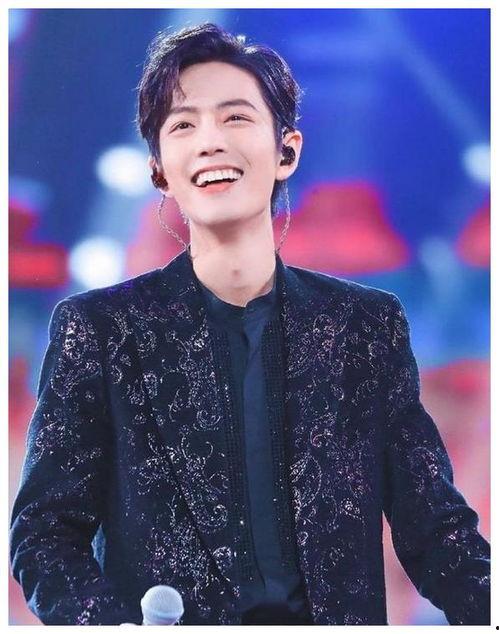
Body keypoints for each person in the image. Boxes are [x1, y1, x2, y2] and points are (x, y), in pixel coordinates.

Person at [9, 22, 490, 626]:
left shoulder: (364, 327)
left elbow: (437, 532)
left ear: (287, 151)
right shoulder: (101, 330)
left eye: (235, 118)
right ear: (159, 170)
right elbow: (45, 534)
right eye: (184, 126)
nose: (210, 142)